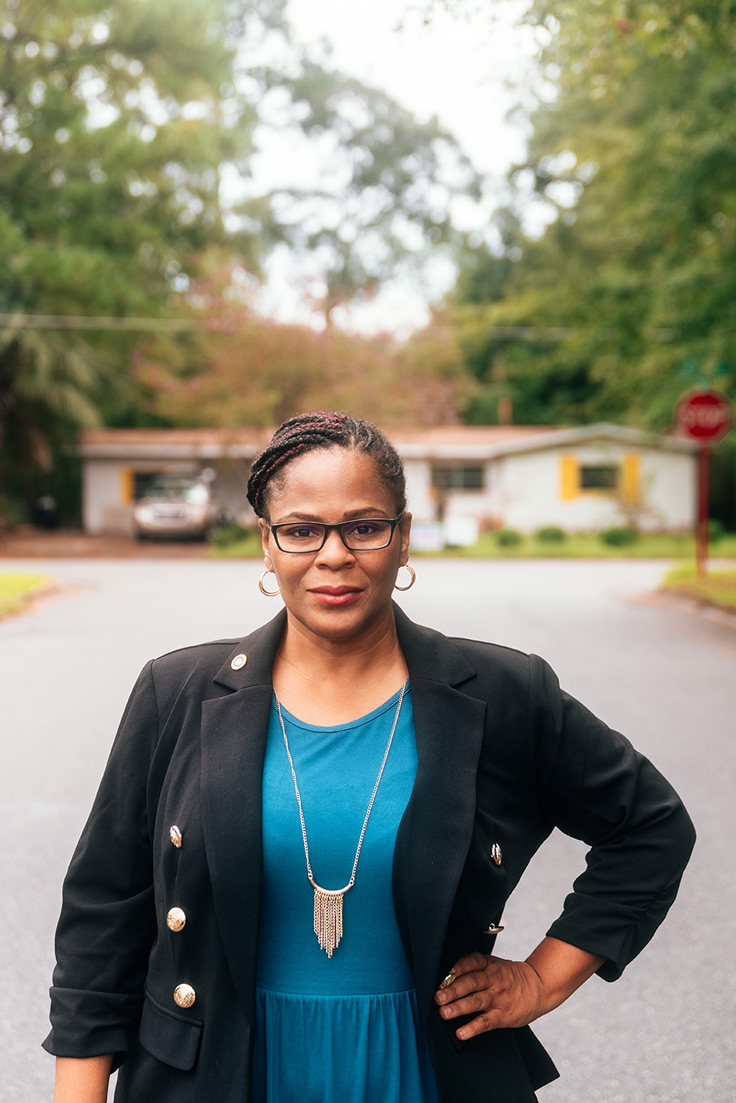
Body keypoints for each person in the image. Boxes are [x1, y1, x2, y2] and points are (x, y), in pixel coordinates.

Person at [44, 411, 695, 1103]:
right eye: (301, 529)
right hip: (220, 1076)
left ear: (403, 536)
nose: (334, 554)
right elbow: (102, 921)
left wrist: (541, 978)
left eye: (364, 526)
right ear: (266, 544)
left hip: (424, 1073)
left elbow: (650, 825)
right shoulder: (177, 693)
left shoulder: (504, 692)